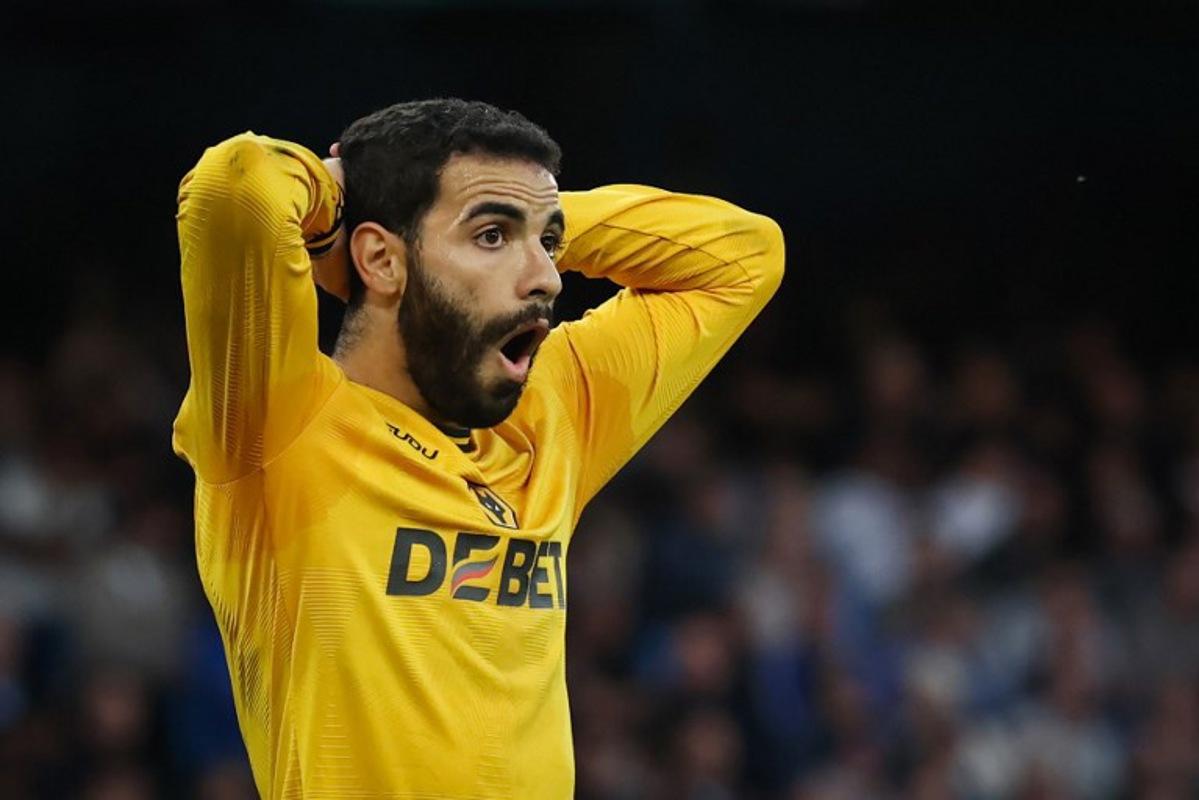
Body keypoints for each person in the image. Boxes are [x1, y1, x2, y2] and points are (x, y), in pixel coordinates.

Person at [173, 98, 784, 799]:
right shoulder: (275, 424)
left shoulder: (548, 420)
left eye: (546, 248)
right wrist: (341, 193)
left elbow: (746, 255)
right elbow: (237, 185)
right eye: (491, 237)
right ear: (380, 258)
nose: (548, 278)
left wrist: (539, 219)